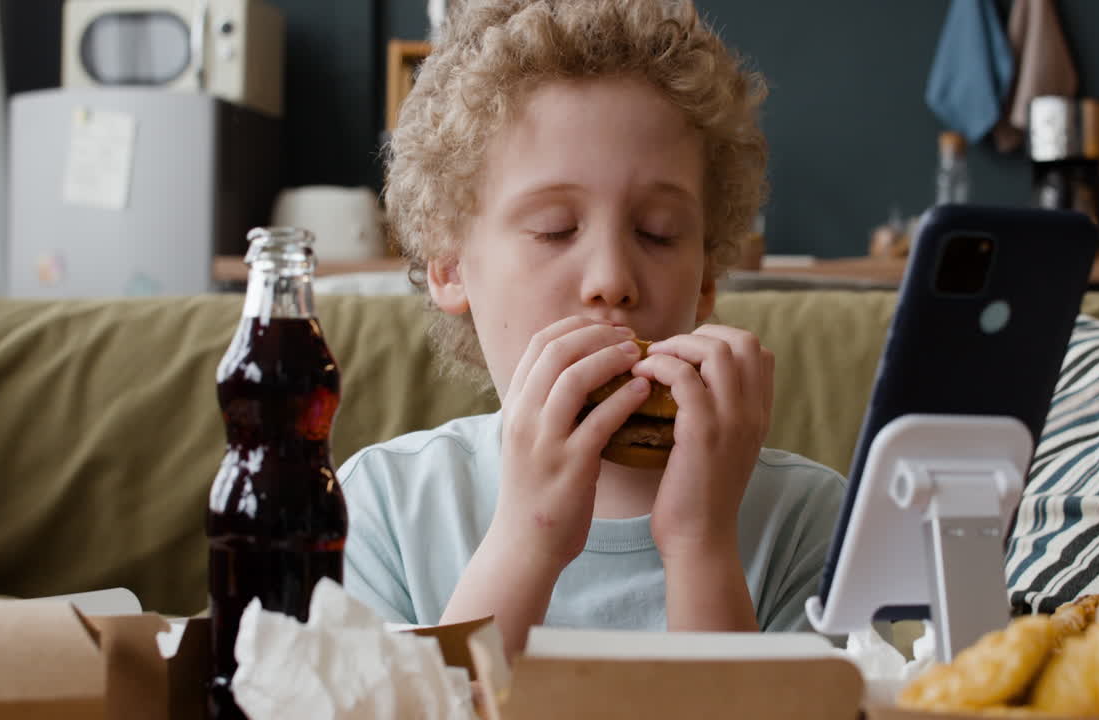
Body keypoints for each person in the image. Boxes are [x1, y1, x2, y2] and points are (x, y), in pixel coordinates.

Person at [338, 0, 845, 653]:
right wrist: (528, 537)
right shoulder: (381, 508)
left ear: (706, 280)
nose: (612, 277)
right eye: (555, 229)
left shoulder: (811, 520)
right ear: (449, 266)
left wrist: (701, 546)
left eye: (658, 234)